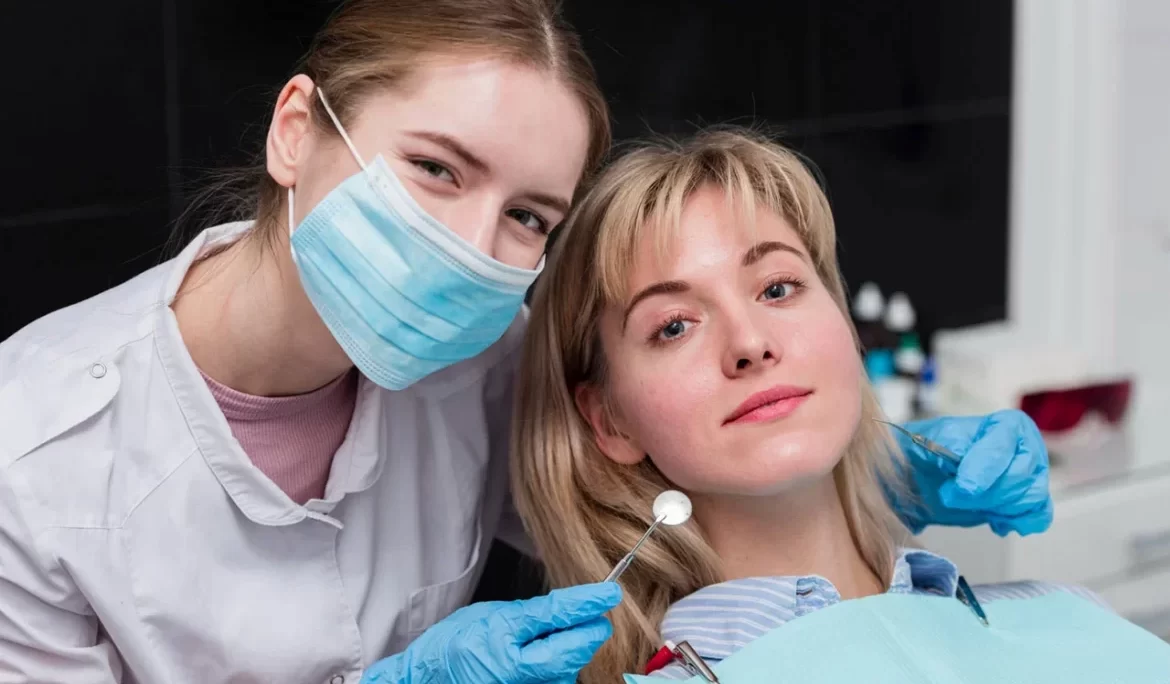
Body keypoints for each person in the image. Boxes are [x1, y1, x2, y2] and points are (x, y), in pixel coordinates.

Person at [0, 2, 1048, 684]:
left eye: (530, 218)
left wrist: (892, 469)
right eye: (438, 170)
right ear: (295, 130)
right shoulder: (31, 455)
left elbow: (680, 478)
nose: (471, 248)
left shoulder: (483, 347)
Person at [509, 128, 1139, 683]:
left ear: (844, 323)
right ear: (609, 420)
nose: (751, 343)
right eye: (674, 325)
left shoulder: (1069, 615)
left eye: (778, 287)